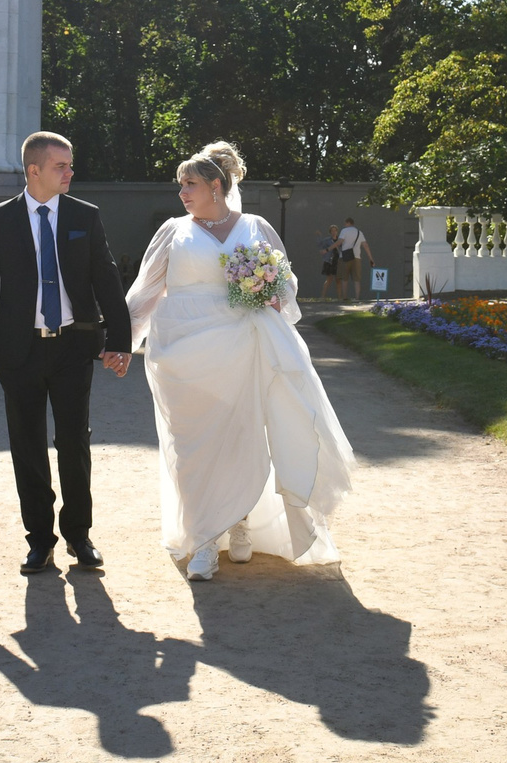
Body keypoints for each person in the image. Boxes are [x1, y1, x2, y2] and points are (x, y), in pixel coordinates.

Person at [126, 140, 355, 581]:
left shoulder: (255, 227)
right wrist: (120, 341)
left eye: (189, 184)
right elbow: (145, 293)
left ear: (216, 186)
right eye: (180, 186)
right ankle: (203, 541)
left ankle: (241, 522)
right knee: (194, 446)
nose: (182, 194)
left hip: (246, 348)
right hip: (185, 356)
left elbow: (286, 285)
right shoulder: (174, 232)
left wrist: (267, 289)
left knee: (246, 436)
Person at [0, 132, 133, 576]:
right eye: (61, 166)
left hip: (73, 346)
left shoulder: (84, 216)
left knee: (74, 442)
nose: (70, 173)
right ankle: (40, 541)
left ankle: (79, 536)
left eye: (70, 165)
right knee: (27, 446)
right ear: (34, 170)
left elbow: (107, 280)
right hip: (19, 352)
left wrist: (120, 342)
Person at [335, 217, 372, 299]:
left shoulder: (344, 231)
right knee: (357, 279)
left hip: (345, 257)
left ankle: (344, 297)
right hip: (357, 257)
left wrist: (329, 248)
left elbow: (339, 242)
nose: (344, 225)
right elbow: (365, 245)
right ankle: (357, 298)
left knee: (345, 278)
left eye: (345, 223)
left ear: (348, 223)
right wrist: (370, 258)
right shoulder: (359, 232)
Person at [317, 224, 344, 300]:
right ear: (330, 232)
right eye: (332, 231)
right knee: (329, 279)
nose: (334, 232)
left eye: (335, 231)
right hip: (330, 261)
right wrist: (319, 236)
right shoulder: (327, 240)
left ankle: (339, 297)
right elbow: (321, 246)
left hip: (338, 261)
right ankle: (322, 296)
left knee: (338, 280)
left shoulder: (340, 240)